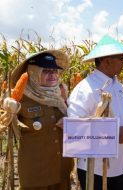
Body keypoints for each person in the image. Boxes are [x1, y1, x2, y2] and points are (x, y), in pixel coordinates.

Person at [67, 35, 123, 190]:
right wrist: (114, 134)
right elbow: (74, 133)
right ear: (107, 61)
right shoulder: (85, 89)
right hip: (97, 171)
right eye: (121, 59)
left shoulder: (118, 86)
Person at [11, 50, 74, 189]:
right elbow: (7, 125)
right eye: (46, 71)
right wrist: (8, 111)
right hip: (36, 174)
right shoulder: (20, 98)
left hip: (61, 170)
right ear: (33, 73)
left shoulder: (60, 96)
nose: (52, 75)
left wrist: (70, 122)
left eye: (55, 71)